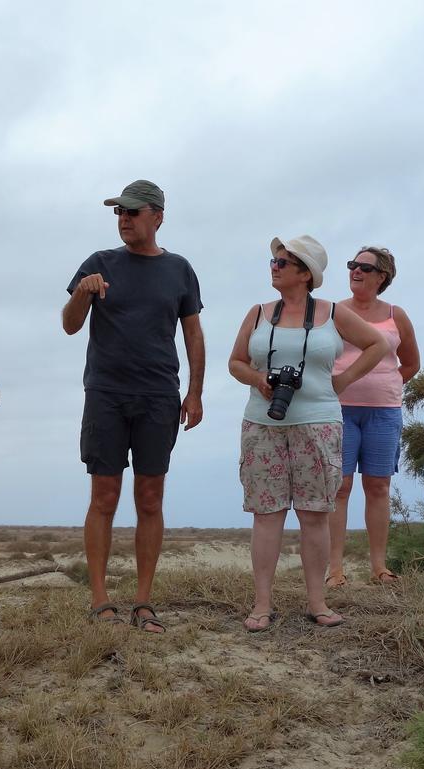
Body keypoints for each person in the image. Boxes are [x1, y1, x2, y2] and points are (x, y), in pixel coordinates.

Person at [62, 179, 204, 633]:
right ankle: (100, 599)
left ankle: (144, 602)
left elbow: (193, 335)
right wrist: (83, 292)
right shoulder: (99, 264)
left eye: (132, 212)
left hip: (159, 395)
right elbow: (69, 326)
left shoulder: (179, 269)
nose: (124, 219)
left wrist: (195, 392)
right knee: (104, 496)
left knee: (150, 497)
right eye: (118, 213)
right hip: (105, 393)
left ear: (158, 216)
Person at [228, 237, 385, 632]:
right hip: (263, 424)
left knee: (315, 514)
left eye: (283, 262)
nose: (274, 267)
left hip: (318, 423)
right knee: (267, 515)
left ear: (305, 273)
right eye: (273, 261)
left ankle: (319, 602)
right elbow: (235, 362)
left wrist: (343, 381)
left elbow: (376, 344)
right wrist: (259, 379)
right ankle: (262, 604)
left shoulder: (332, 313)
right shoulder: (259, 313)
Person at [327, 247, 419, 587]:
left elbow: (410, 364)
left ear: (382, 277)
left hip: (384, 412)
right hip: (338, 410)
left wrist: (385, 385)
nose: (356, 271)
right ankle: (334, 570)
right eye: (352, 265)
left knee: (378, 486)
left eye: (365, 267)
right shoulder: (334, 312)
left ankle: (379, 567)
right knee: (340, 487)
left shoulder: (397, 315)